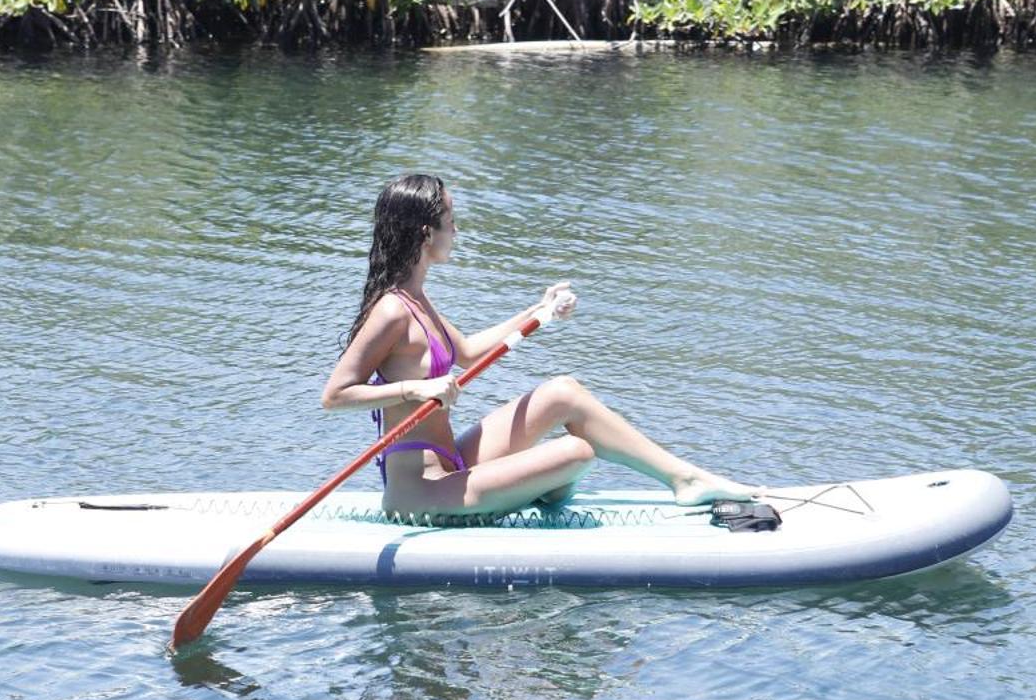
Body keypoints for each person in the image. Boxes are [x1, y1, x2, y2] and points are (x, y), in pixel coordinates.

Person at [321, 172, 756, 518]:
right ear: (424, 233)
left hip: (450, 461)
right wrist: (415, 390)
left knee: (563, 392)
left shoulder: (418, 299)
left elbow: (469, 351)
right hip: (420, 494)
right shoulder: (392, 310)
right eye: (450, 219)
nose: (455, 228)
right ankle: (525, 492)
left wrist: (540, 311)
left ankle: (684, 478)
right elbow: (335, 395)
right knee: (578, 452)